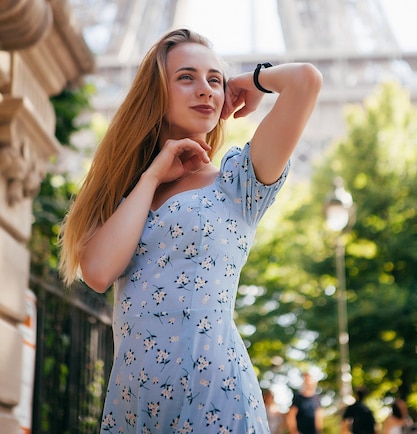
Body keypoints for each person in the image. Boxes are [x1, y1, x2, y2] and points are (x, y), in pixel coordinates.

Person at [59, 28, 322, 433]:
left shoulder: (238, 183)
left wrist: (244, 83)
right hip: (134, 406)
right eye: (186, 77)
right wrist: (151, 178)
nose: (205, 90)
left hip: (217, 398)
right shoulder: (125, 189)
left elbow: (305, 79)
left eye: (213, 80)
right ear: (156, 94)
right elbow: (96, 272)